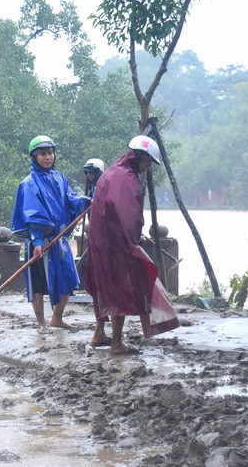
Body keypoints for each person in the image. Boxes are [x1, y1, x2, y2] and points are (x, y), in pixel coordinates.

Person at [86, 136, 180, 354]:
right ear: (140, 157)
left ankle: (99, 332)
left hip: (99, 241)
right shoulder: (127, 179)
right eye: (148, 163)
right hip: (117, 243)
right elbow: (129, 215)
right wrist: (134, 240)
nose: (147, 168)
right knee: (120, 287)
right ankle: (117, 343)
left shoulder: (109, 173)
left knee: (103, 285)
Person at [12, 135, 90, 331]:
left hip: (59, 241)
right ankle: (41, 322)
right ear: (34, 156)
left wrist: (86, 201)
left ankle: (57, 317)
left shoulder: (59, 178)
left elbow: (71, 198)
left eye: (50, 153)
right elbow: (32, 214)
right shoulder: (29, 183)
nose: (48, 157)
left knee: (68, 279)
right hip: (40, 241)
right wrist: (37, 240)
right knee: (38, 284)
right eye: (43, 154)